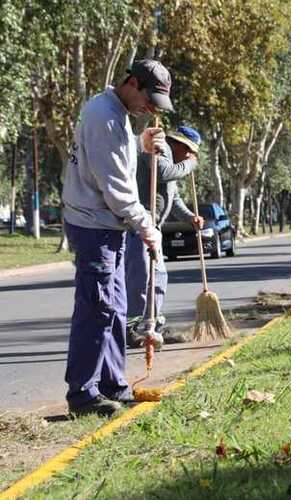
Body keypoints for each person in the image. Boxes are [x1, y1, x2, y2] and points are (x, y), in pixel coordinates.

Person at [61, 59, 174, 416]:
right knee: (97, 309)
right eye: (150, 99)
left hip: (109, 226)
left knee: (116, 309)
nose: (151, 108)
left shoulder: (117, 115)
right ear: (133, 83)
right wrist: (147, 227)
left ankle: (113, 384)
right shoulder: (104, 116)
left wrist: (140, 144)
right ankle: (83, 394)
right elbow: (115, 187)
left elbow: (113, 161)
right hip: (94, 226)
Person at [125, 126, 204, 348]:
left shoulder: (172, 162)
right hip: (139, 225)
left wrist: (190, 217)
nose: (189, 156)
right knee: (140, 279)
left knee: (158, 279)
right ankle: (131, 327)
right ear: (178, 144)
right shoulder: (161, 149)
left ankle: (152, 326)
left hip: (154, 227)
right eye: (188, 150)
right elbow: (162, 173)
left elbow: (174, 197)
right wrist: (189, 165)